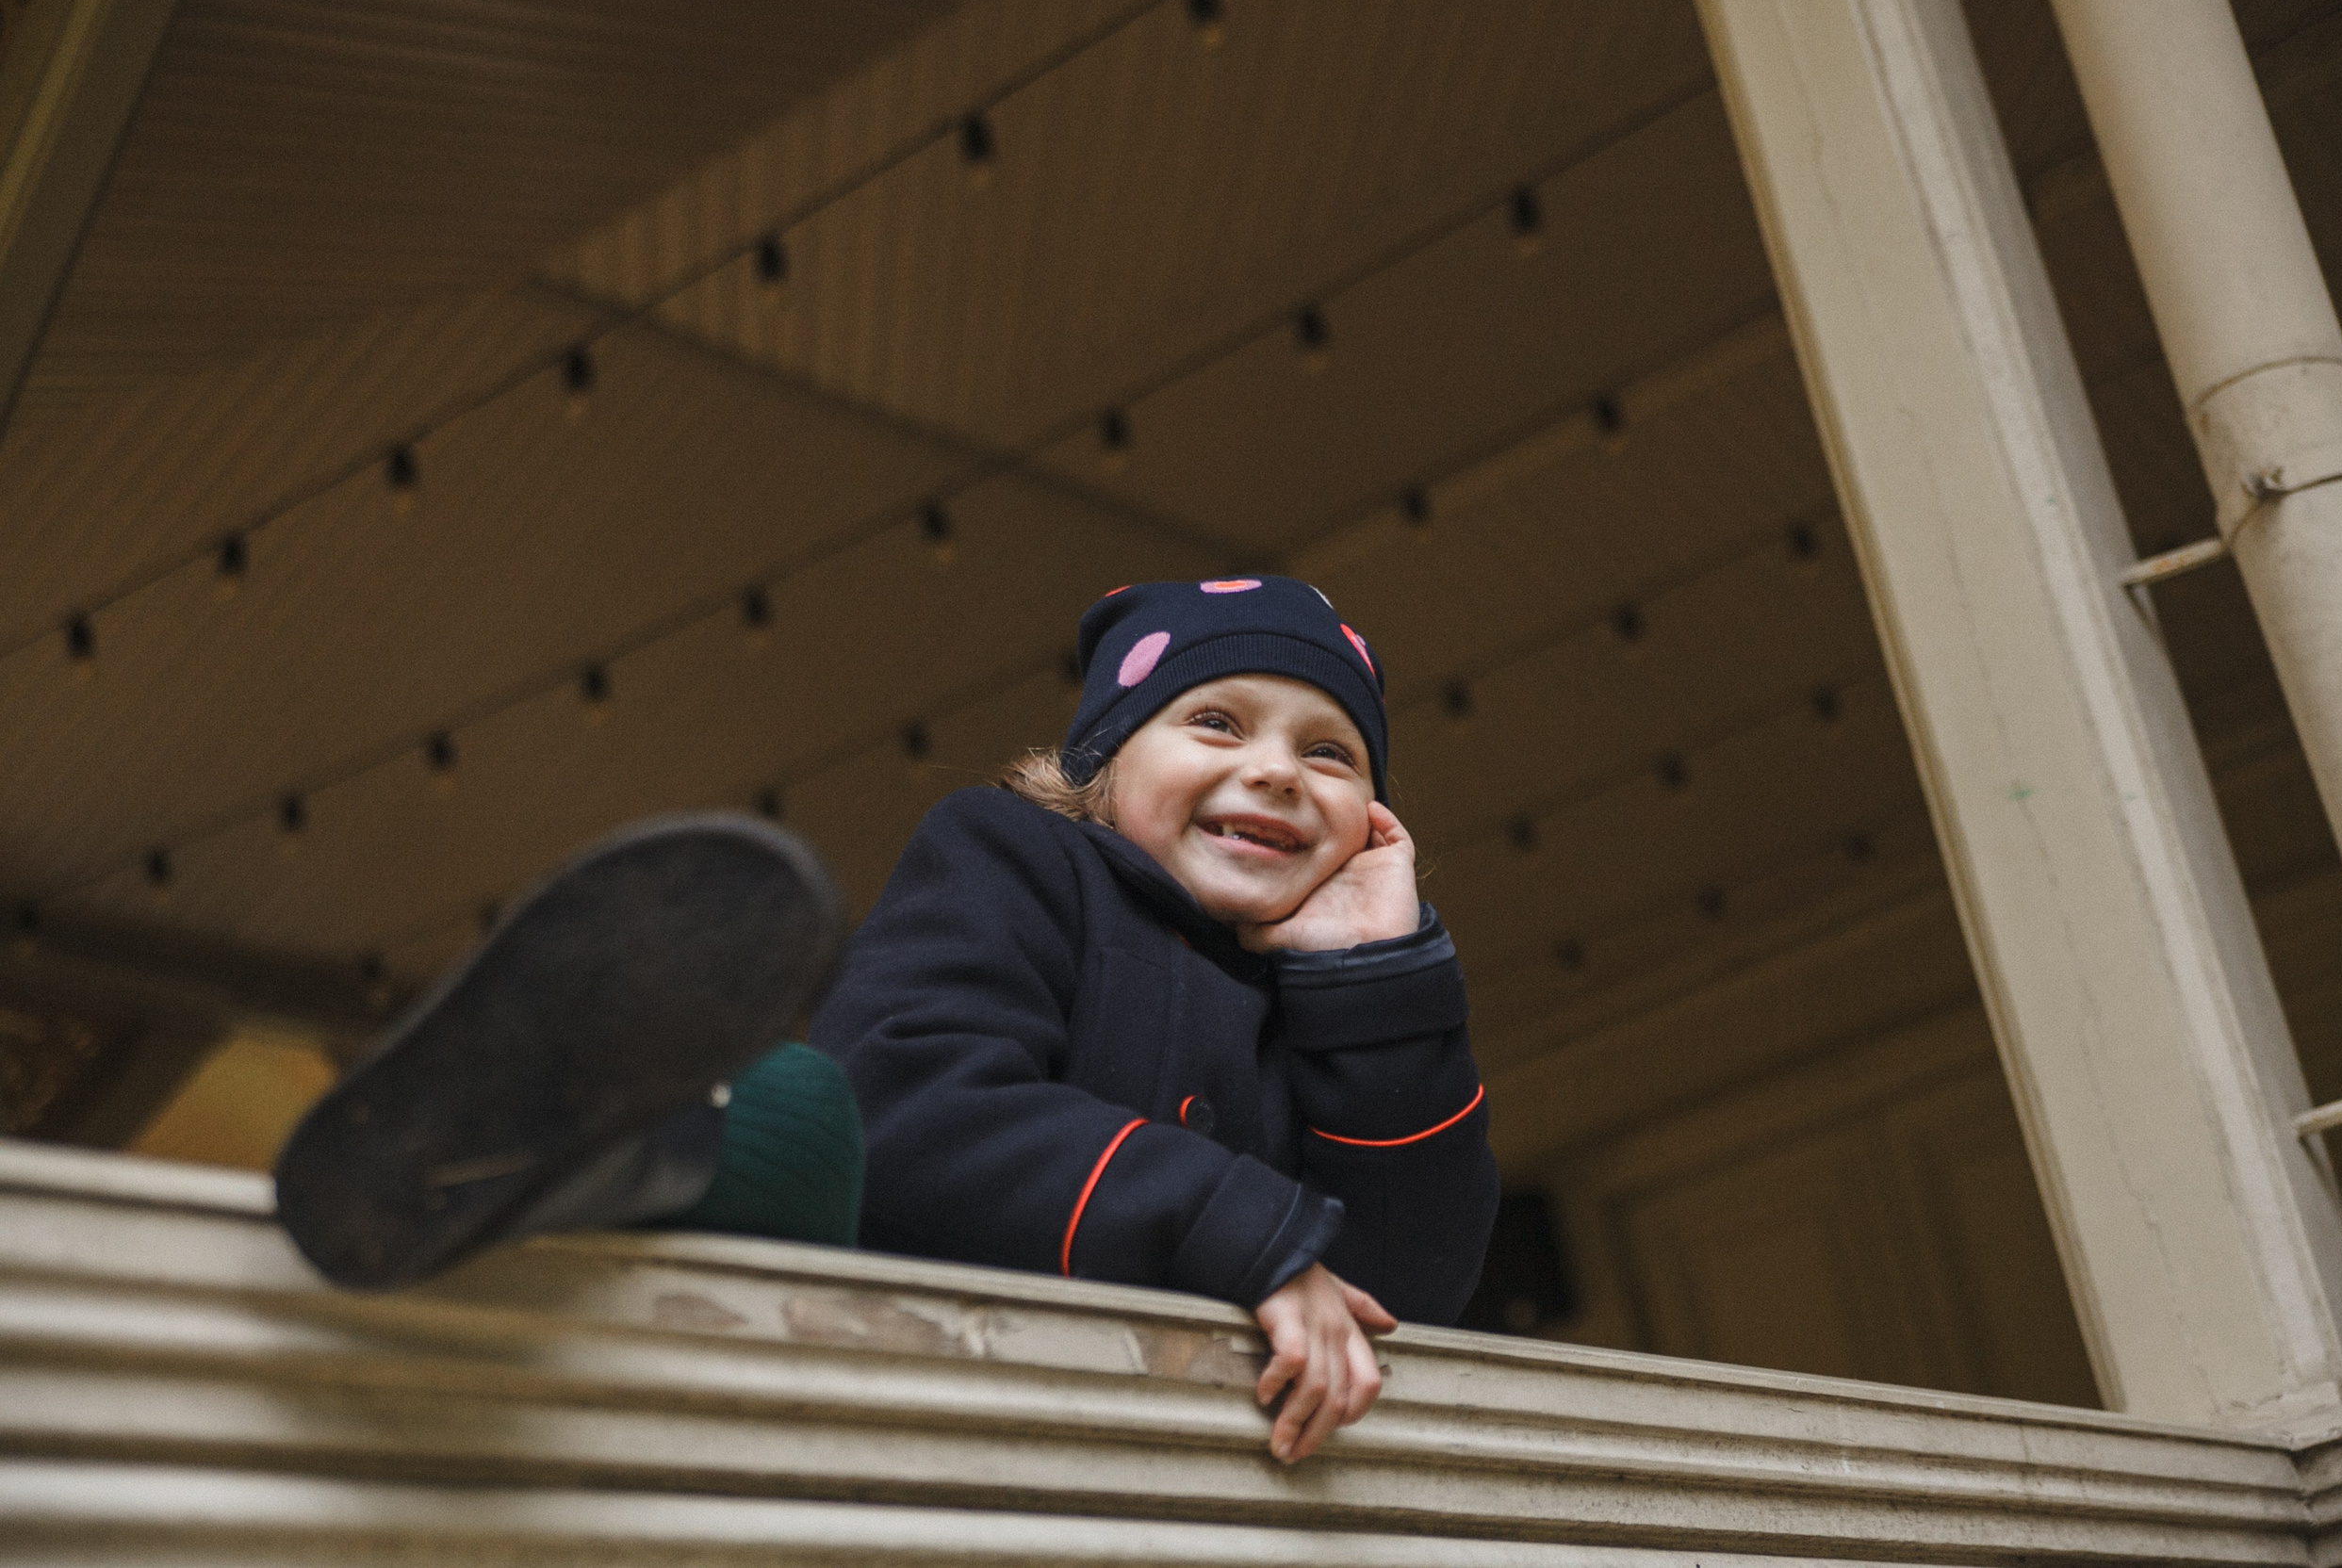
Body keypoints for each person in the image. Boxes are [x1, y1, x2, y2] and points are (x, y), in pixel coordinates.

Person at [274, 576, 1497, 1466]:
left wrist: (1378, 986)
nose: (1281, 770)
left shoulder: (1337, 1010)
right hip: (884, 1308)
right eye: (1217, 722)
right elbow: (915, 1103)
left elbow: (1407, 1288)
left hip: (1109, 1465)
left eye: (1333, 755)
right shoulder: (1016, 855)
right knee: (807, 1108)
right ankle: (491, 1148)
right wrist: (1245, 1230)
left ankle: (521, 1139)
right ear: (1104, 764)